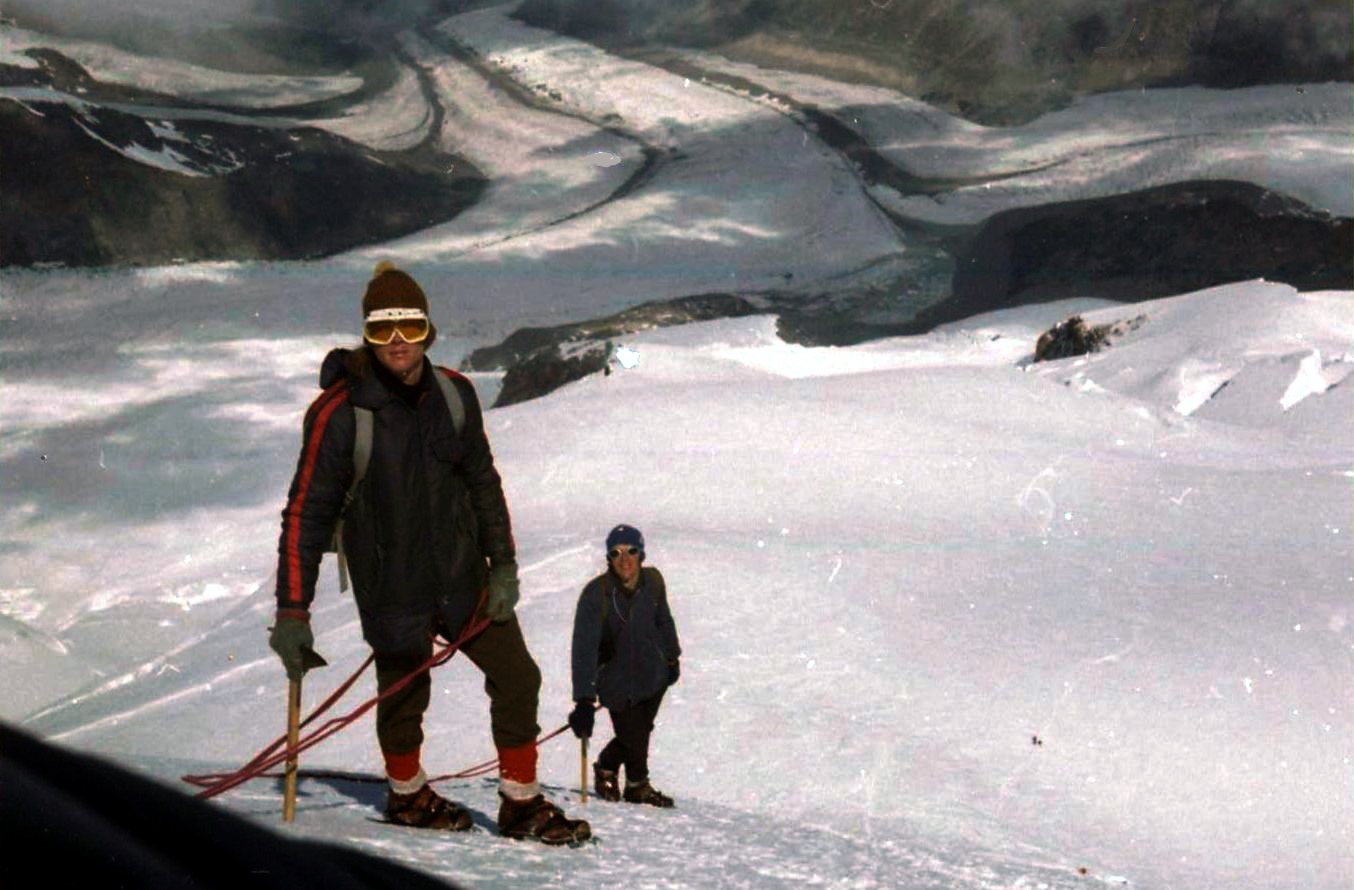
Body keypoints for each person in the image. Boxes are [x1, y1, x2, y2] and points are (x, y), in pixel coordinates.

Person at [268, 261, 588, 845]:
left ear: (428, 331)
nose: (397, 342)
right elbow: (305, 516)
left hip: (462, 577)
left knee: (517, 676)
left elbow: (483, 485)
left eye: (409, 328)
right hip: (392, 585)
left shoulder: (454, 395)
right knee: (404, 695)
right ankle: (408, 796)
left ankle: (520, 803)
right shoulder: (339, 415)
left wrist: (504, 566)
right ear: (366, 334)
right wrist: (293, 611)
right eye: (383, 329)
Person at [568, 524, 681, 807]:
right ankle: (634, 783)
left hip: (654, 675)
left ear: (641, 554)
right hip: (616, 682)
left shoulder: (653, 581)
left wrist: (671, 656)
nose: (625, 559)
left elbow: (663, 620)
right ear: (608, 558)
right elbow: (584, 650)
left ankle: (620, 776)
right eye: (616, 553)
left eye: (631, 551)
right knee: (634, 735)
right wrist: (584, 699)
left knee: (640, 732)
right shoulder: (596, 595)